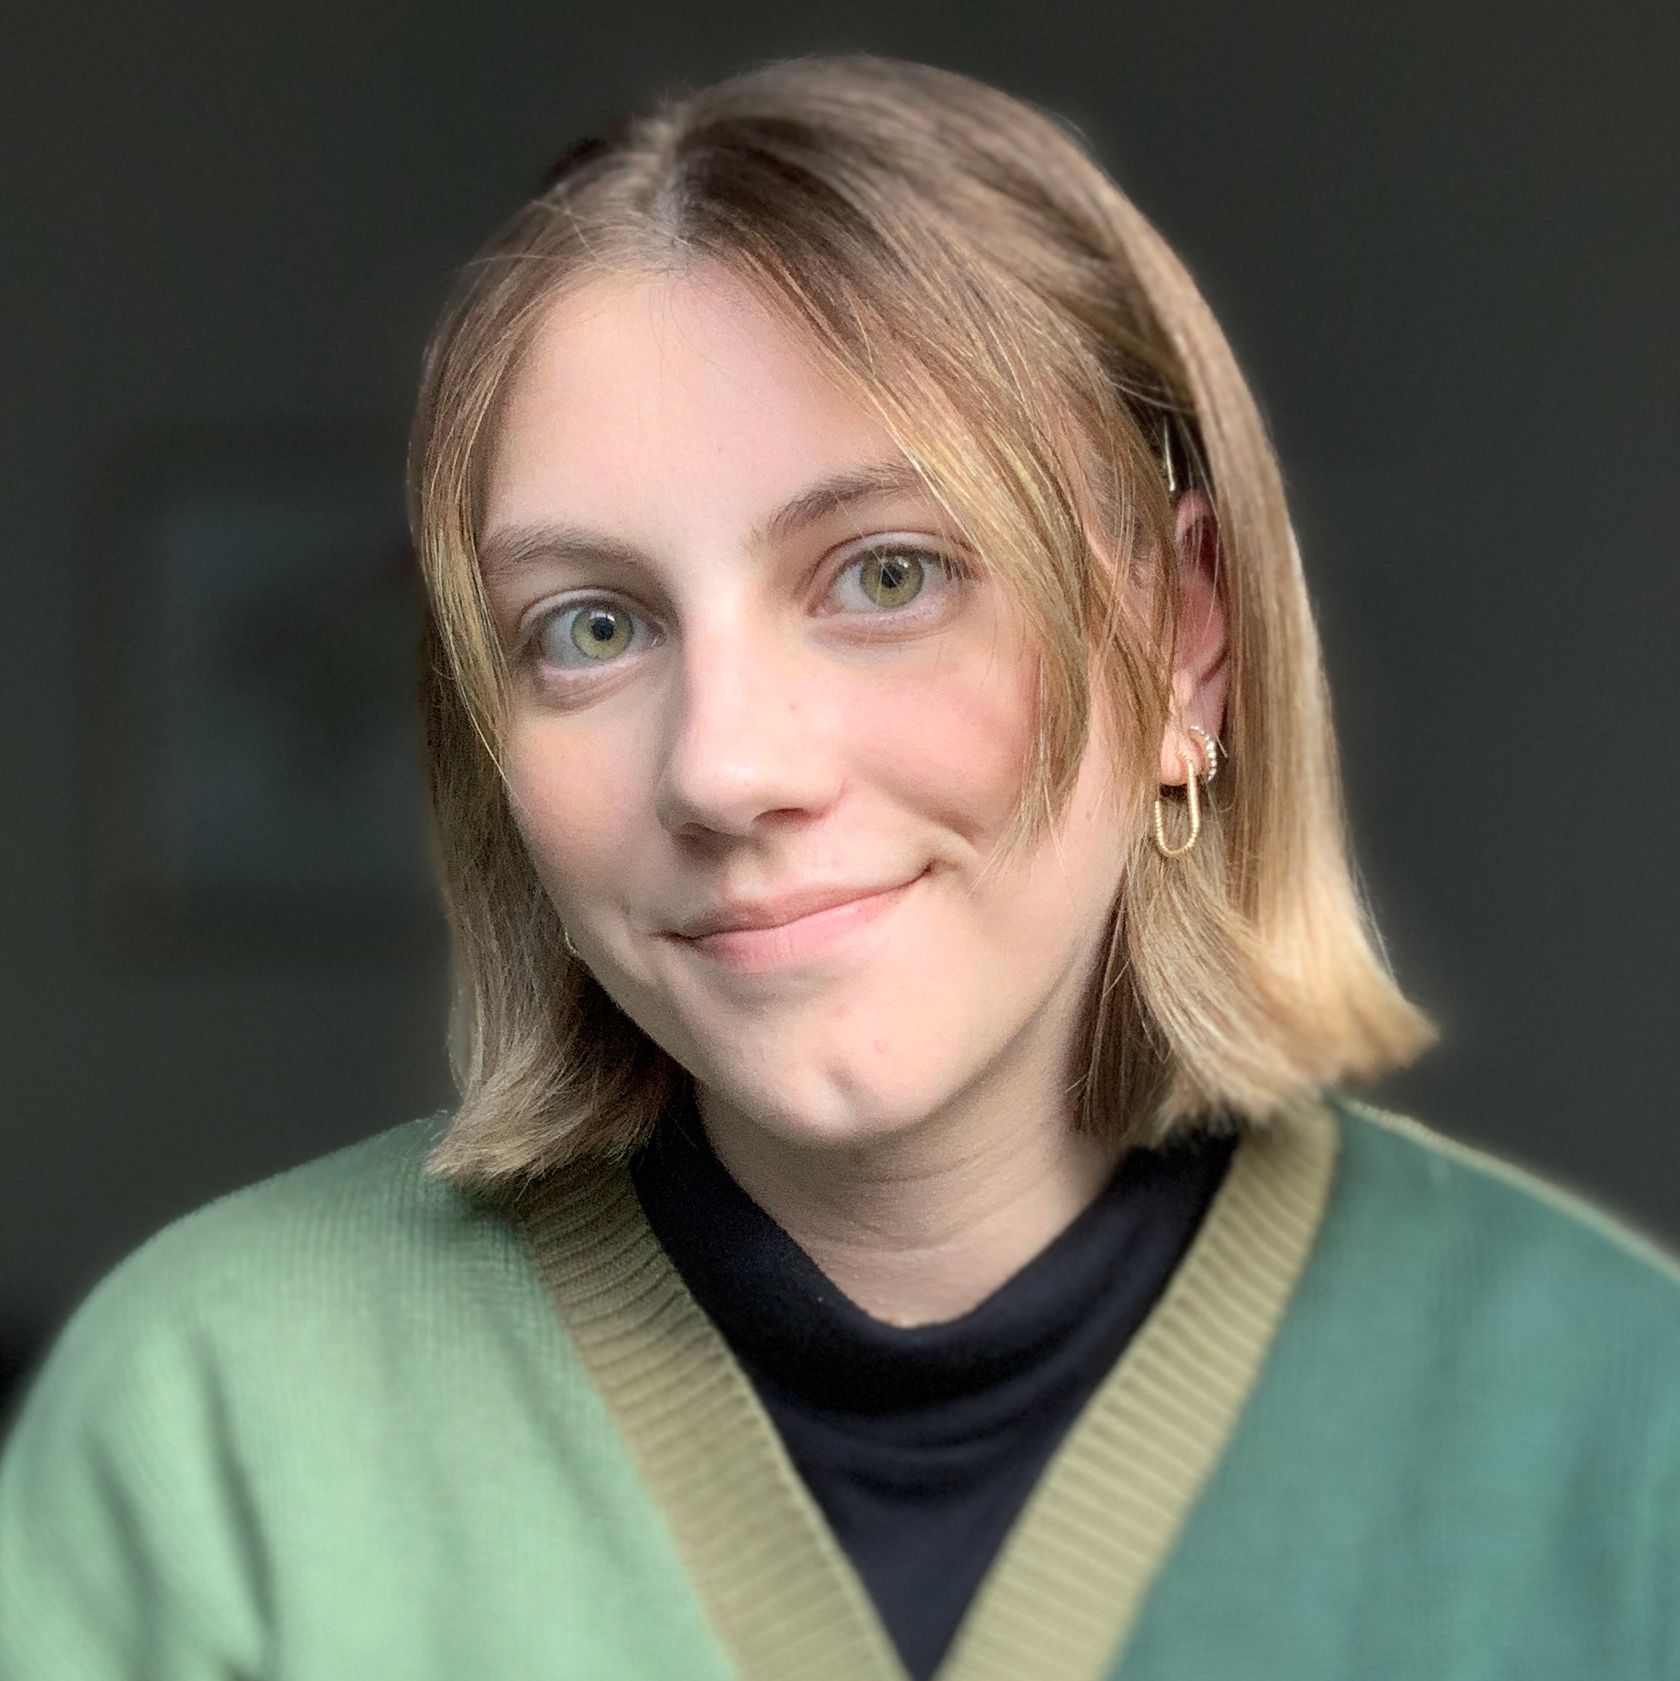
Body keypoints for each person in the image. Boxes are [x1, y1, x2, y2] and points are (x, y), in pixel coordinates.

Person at [2, 51, 1677, 1681]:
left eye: (887, 573)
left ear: (1186, 645)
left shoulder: (1620, 1418)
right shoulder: (212, 1419)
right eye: (588, 628)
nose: (726, 767)